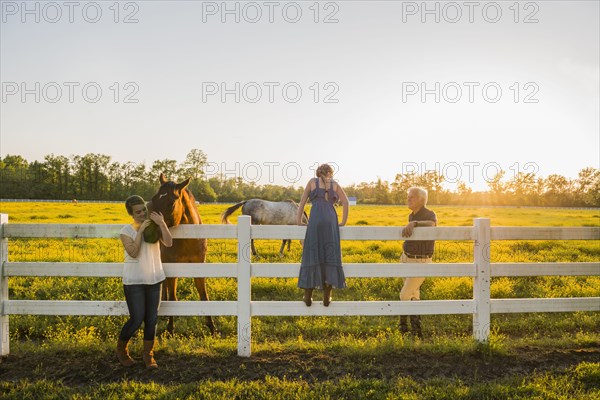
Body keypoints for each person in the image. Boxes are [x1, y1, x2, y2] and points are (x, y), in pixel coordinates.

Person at [116, 195, 172, 369]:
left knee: (152, 319)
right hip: (134, 281)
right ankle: (121, 350)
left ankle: (148, 355)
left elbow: (169, 243)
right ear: (131, 214)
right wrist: (139, 231)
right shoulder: (126, 230)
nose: (142, 214)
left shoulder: (154, 227)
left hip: (155, 278)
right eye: (137, 212)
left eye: (143, 210)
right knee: (136, 318)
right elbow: (133, 252)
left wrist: (161, 223)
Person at [297, 164, 349, 306]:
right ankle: (327, 295)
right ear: (329, 173)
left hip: (315, 220)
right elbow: (345, 202)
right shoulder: (335, 184)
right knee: (330, 254)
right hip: (331, 220)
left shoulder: (312, 182)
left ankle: (308, 295)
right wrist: (343, 221)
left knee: (312, 252)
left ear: (318, 172)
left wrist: (298, 220)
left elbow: (302, 203)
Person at [399, 187, 437, 338]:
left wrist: (414, 223)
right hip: (406, 257)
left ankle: (402, 325)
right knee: (414, 294)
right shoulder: (411, 215)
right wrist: (412, 222)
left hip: (421, 260)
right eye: (408, 196)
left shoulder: (429, 214)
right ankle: (417, 330)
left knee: (404, 294)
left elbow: (431, 224)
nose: (408, 199)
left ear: (421, 199)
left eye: (411, 197)